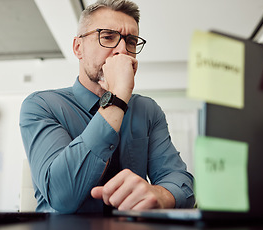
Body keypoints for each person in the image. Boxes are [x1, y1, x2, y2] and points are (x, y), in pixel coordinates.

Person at [19, 0, 195, 214]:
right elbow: (61, 196)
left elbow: (181, 183)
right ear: (78, 47)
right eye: (108, 37)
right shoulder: (41, 106)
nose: (122, 50)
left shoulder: (148, 110)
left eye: (131, 41)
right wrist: (117, 98)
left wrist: (161, 195)